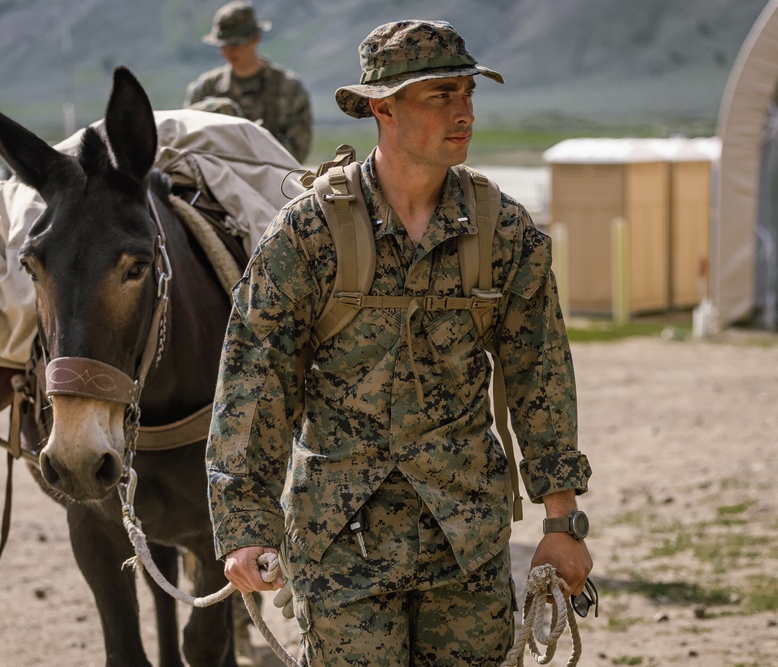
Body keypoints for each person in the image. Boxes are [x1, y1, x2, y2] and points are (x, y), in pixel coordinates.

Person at [206, 18, 593, 666]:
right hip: (340, 547)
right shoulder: (311, 233)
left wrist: (561, 522)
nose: (462, 110)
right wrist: (246, 526)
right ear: (380, 107)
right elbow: (255, 373)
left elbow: (540, 372)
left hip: (464, 538)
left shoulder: (502, 232)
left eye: (466, 92)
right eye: (438, 95)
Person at [184, 0, 312, 163]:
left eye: (236, 45)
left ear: (255, 38)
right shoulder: (206, 89)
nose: (229, 52)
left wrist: (251, 156)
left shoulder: (289, 89)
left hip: (271, 179)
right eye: (223, 45)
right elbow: (188, 138)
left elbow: (298, 150)